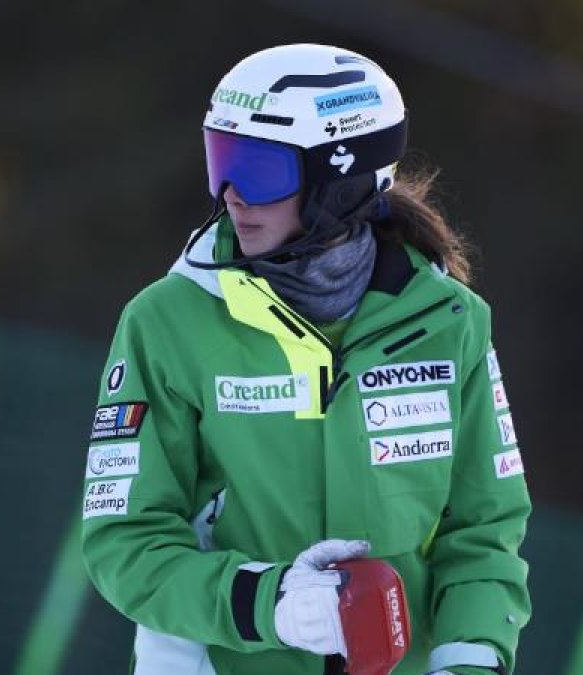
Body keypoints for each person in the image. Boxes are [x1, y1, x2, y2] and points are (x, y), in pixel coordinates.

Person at [80, 43, 531, 675]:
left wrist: (470, 661)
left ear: (339, 182)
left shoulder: (449, 323)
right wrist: (270, 603)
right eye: (221, 162)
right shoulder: (168, 323)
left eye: (260, 170)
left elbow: (484, 531)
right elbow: (124, 538)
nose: (232, 195)